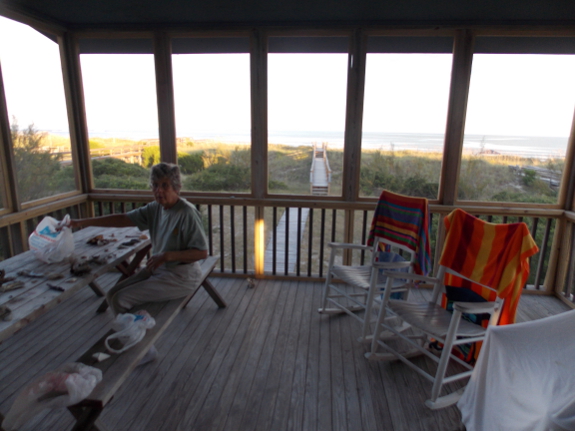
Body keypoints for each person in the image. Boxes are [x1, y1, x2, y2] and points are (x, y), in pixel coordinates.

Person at [70, 162, 208, 362]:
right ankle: (136, 338)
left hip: (182, 276)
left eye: (164, 185)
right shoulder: (156, 209)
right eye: (154, 185)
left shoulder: (186, 212)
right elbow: (123, 219)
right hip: (159, 269)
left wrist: (167, 255)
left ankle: (144, 349)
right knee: (111, 294)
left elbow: (201, 253)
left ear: (176, 187)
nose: (159, 191)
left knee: (121, 299)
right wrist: (83, 222)